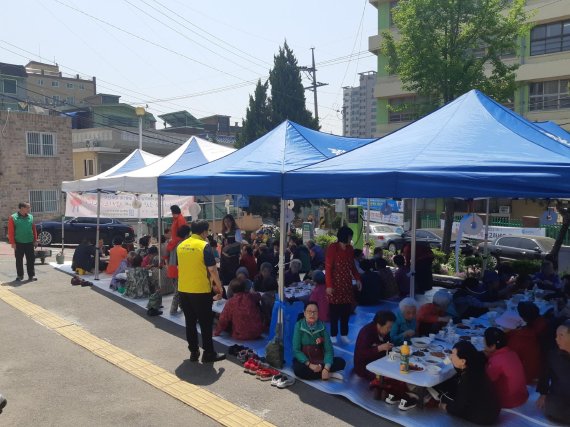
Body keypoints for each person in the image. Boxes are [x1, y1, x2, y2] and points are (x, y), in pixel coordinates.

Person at [177, 220, 225, 363]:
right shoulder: (204, 246)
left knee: (190, 322)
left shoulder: (181, 245)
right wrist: (220, 287)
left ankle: (193, 352)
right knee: (205, 323)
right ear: (204, 232)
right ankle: (209, 353)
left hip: (183, 289)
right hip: (200, 290)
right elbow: (212, 269)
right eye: (207, 231)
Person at [439, 341, 501, 425]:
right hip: (492, 410)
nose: (450, 357)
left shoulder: (467, 379)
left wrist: (445, 406)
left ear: (463, 361)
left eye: (453, 354)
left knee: (445, 401)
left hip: (483, 418)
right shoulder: (476, 367)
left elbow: (458, 408)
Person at [326, 226, 362, 344]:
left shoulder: (350, 249)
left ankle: (344, 334)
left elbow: (352, 266)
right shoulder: (333, 248)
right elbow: (328, 268)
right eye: (350, 236)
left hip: (346, 284)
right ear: (345, 236)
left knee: (346, 311)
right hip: (335, 285)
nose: (351, 239)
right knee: (334, 312)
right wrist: (329, 285)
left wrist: (357, 279)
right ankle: (333, 334)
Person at [292, 301, 346, 380]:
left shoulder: (322, 326)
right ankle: (329, 374)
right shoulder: (299, 325)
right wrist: (310, 365)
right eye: (309, 311)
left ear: (318, 313)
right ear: (304, 313)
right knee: (298, 370)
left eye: (315, 312)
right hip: (305, 360)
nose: (312, 314)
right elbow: (296, 350)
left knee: (341, 362)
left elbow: (329, 350)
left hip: (320, 359)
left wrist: (326, 368)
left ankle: (324, 371)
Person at [483, 327, 528, 409]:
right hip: (522, 396)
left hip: (507, 401)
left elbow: (487, 380)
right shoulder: (512, 353)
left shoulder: (496, 360)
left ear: (493, 346)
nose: (483, 346)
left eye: (485, 343)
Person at [536, 320, 570, 424]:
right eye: (556, 335)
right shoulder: (553, 355)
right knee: (551, 409)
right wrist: (543, 392)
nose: (556, 339)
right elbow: (545, 373)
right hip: (560, 395)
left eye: (561, 335)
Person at [507, 301, 548, 383]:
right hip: (545, 366)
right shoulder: (545, 323)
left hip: (531, 375)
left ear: (523, 318)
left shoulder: (521, 338)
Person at [354, 310, 396, 380]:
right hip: (364, 367)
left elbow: (389, 346)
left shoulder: (385, 331)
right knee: (389, 377)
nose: (390, 330)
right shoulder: (367, 333)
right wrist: (379, 348)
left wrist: (392, 359)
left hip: (378, 361)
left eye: (391, 327)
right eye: (388, 327)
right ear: (379, 325)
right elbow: (362, 353)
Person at [8, 202, 38, 281]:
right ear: (21, 208)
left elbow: (33, 229)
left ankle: (31, 275)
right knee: (19, 260)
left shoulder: (30, 217)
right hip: (18, 243)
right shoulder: (13, 217)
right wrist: (12, 243)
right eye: (27, 207)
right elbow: (10, 232)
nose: (29, 209)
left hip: (29, 242)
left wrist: (35, 240)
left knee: (31, 260)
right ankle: (20, 275)